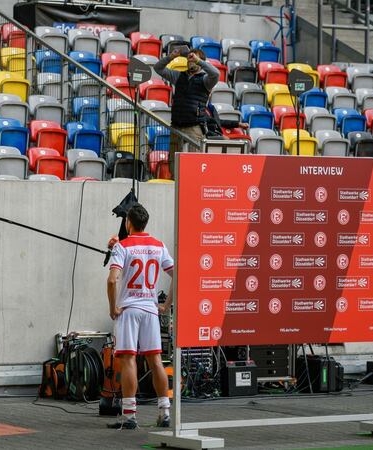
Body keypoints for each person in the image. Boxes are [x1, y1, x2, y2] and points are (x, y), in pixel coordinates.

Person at [105, 204, 174, 430]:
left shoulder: (123, 246)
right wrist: (166, 304)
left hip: (129, 309)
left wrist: (113, 307)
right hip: (150, 310)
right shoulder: (159, 245)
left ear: (128, 223)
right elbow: (178, 274)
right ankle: (164, 412)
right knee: (155, 360)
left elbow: (112, 280)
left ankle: (129, 415)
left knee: (128, 359)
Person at [153, 48, 220, 174]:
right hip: (176, 126)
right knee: (174, 164)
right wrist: (171, 57)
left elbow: (216, 74)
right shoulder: (179, 76)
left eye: (194, 59)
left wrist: (199, 60)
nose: (191, 62)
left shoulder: (206, 80)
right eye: (189, 59)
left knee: (193, 164)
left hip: (194, 128)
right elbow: (158, 68)